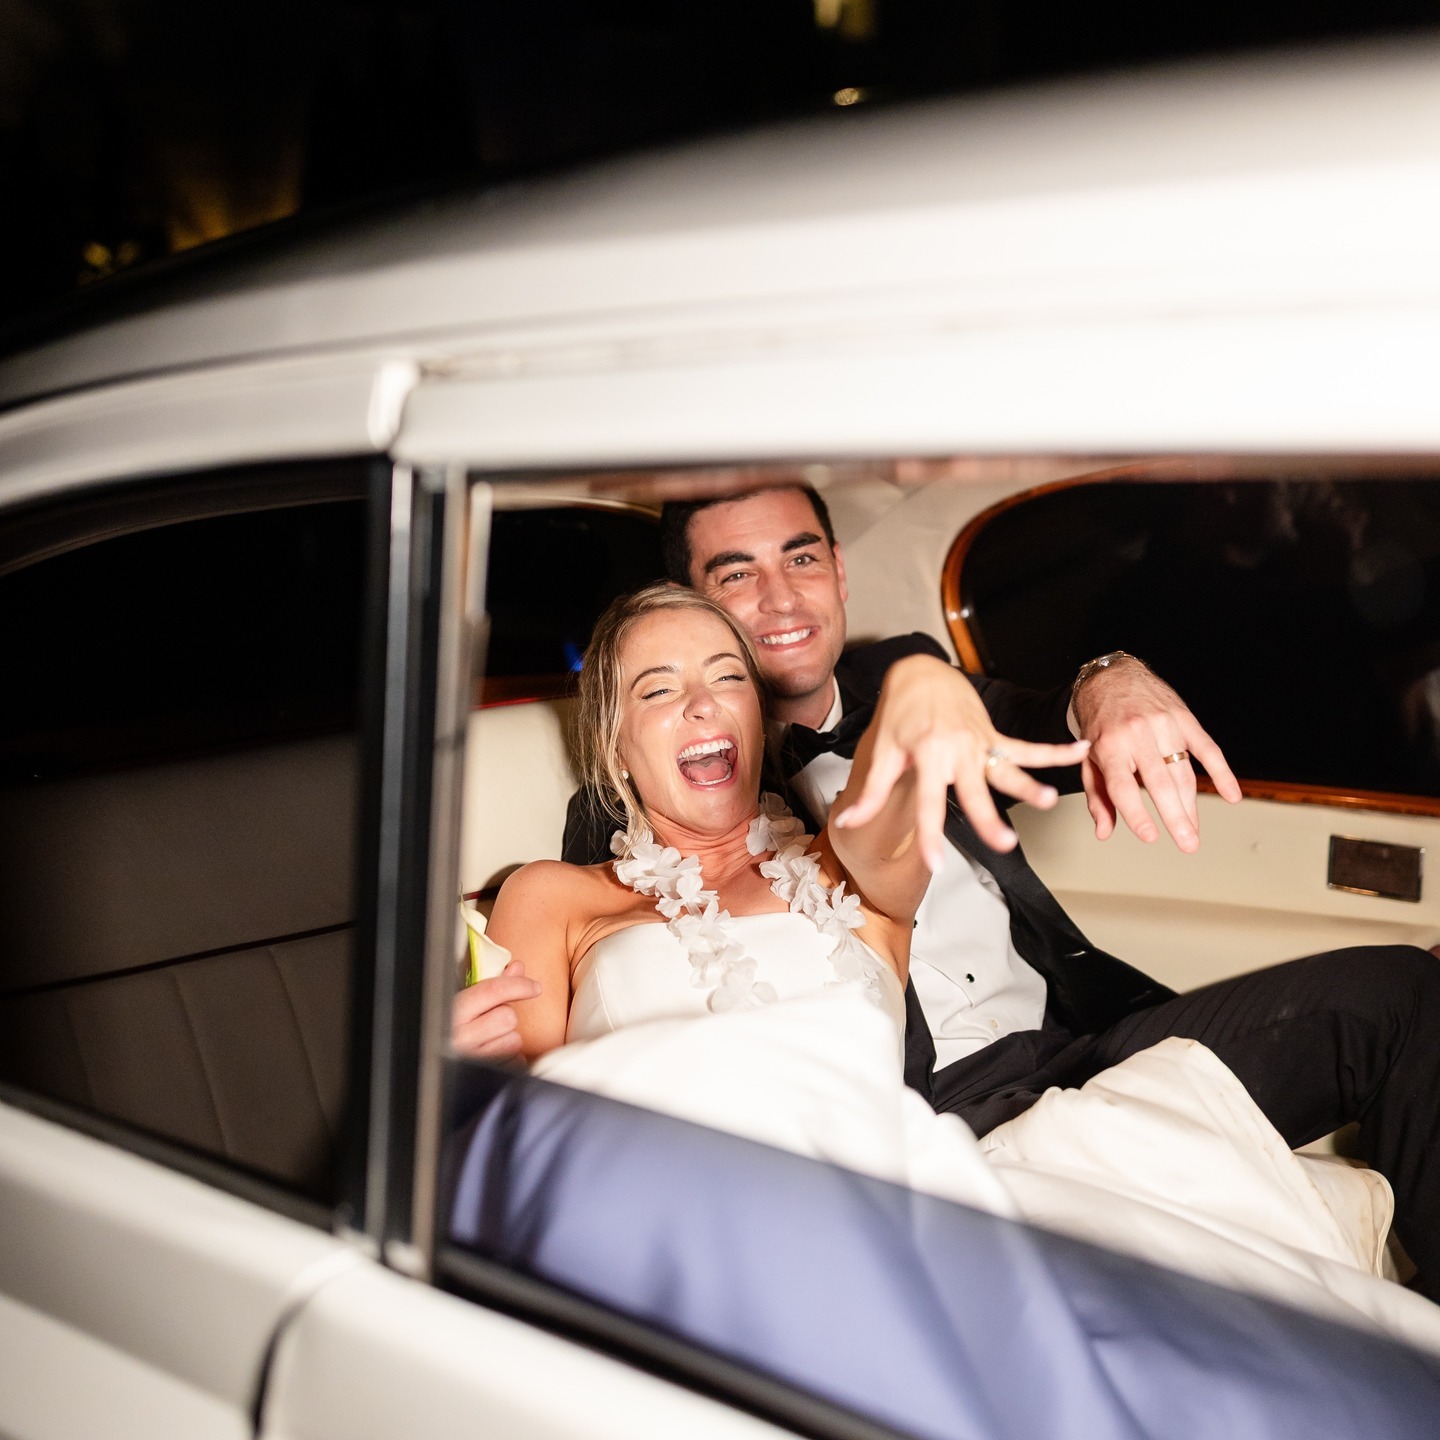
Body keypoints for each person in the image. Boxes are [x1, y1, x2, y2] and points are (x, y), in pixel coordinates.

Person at [471, 482, 1440, 1299]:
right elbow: (546, 1076)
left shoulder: (872, 770)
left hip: (1079, 1049)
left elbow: (918, 804)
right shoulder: (583, 871)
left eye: (801, 559)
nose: (779, 596)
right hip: (920, 1117)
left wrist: (1096, 678)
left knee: (1401, 993)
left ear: (838, 572)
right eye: (736, 575)